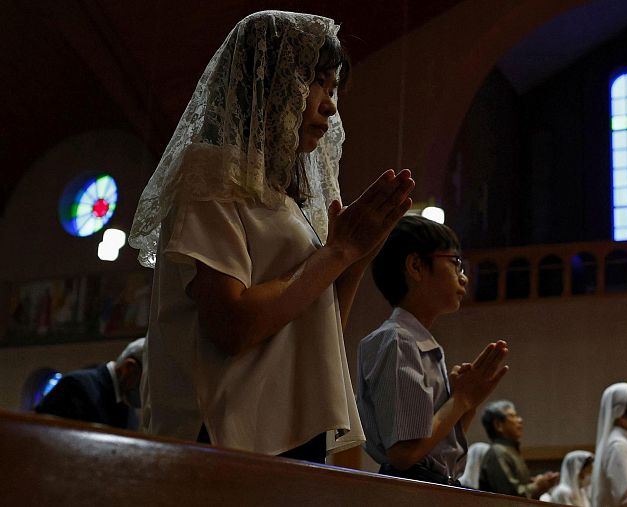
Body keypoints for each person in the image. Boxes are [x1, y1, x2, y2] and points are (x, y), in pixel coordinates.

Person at [128, 11, 415, 462]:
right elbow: (232, 327)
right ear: (269, 81)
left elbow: (318, 333)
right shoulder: (211, 171)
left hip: (291, 427)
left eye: (331, 86)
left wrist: (355, 256)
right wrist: (336, 252)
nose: (330, 104)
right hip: (225, 433)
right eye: (316, 82)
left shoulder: (290, 198)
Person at [355, 216, 509, 485]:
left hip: (428, 484)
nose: (463, 277)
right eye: (455, 263)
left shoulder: (415, 341)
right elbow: (405, 453)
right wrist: (459, 400)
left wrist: (467, 404)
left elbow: (435, 446)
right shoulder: (397, 339)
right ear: (416, 266)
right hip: (411, 488)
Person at [35, 338, 145, 430]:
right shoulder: (75, 387)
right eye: (145, 383)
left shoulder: (128, 408)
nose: (147, 394)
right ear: (129, 369)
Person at [479, 400, 559, 498]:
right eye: (513, 416)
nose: (520, 420)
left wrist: (540, 482)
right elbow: (509, 496)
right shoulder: (498, 452)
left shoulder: (509, 450)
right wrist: (537, 485)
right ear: (498, 425)